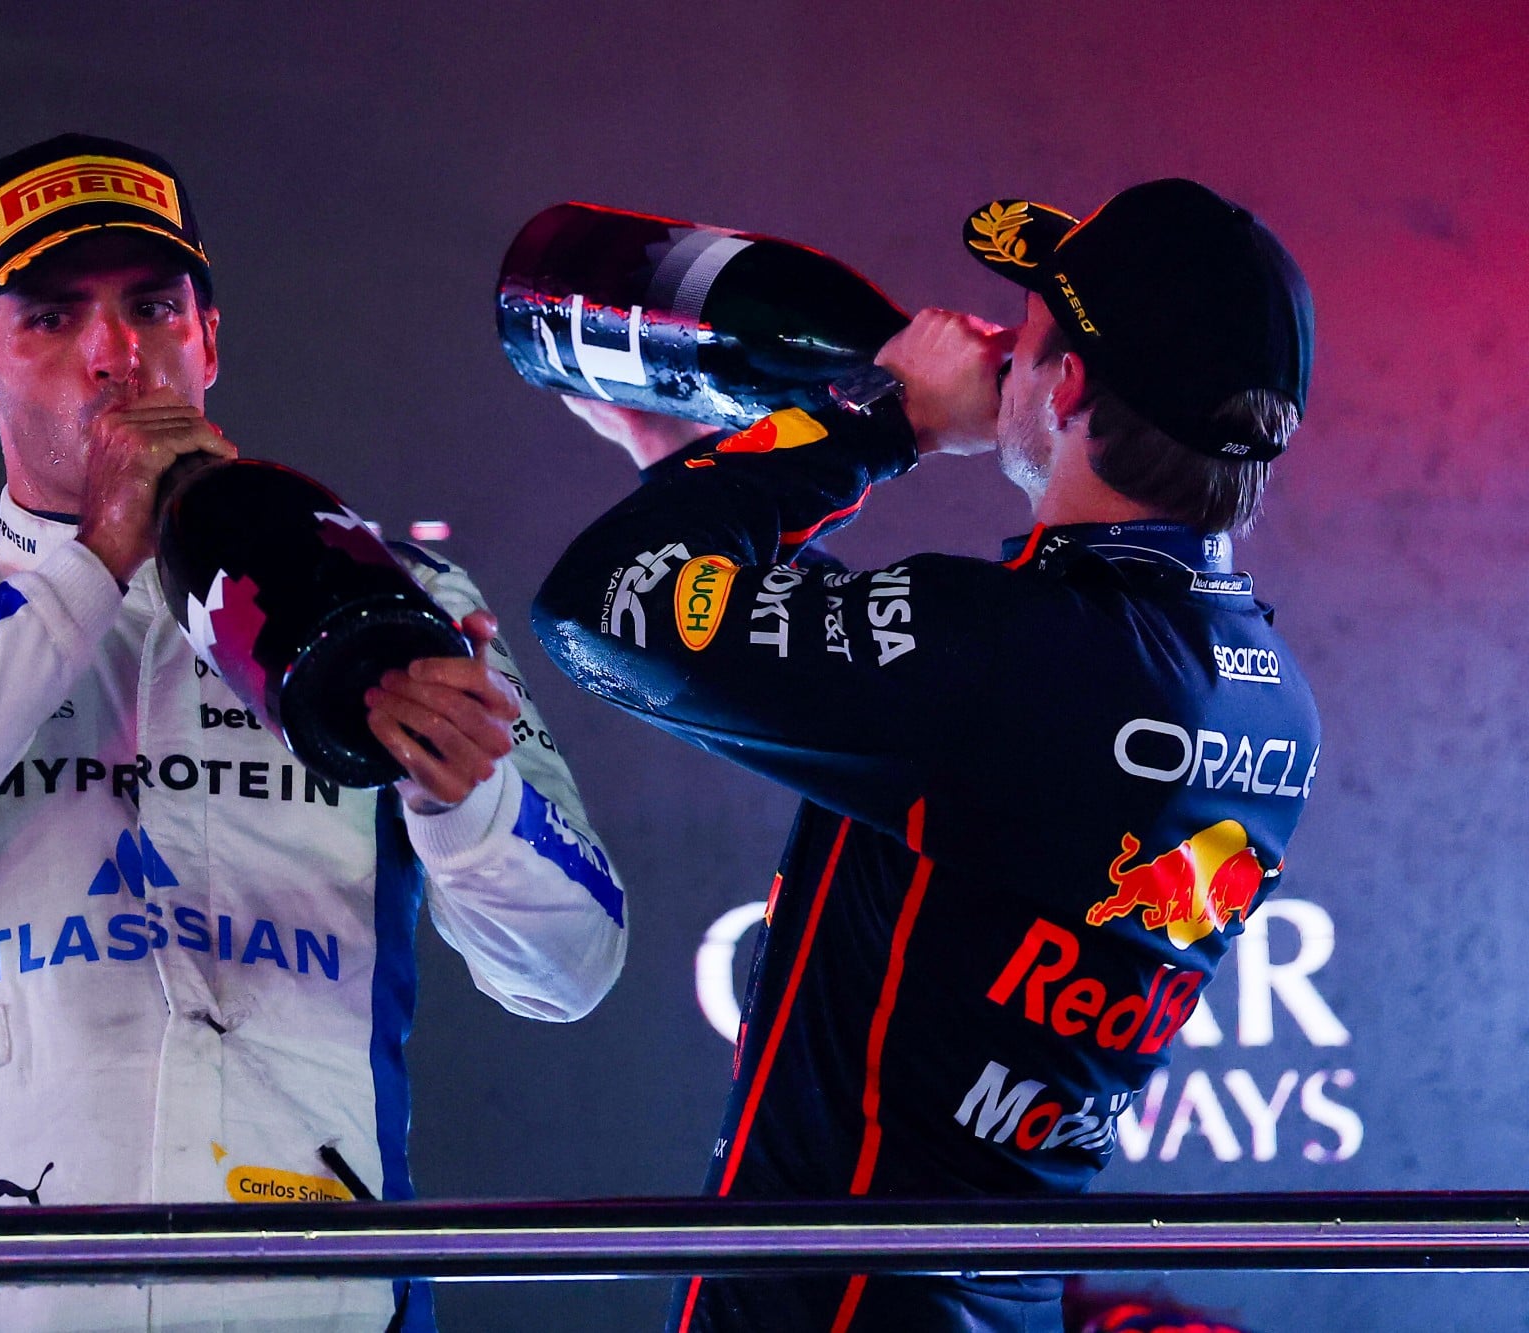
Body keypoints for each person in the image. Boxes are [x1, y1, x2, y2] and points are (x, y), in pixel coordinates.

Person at [0, 133, 627, 1333]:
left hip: (320, 1312)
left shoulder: (387, 602)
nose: (114, 353)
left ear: (207, 337)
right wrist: (97, 557)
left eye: (152, 305)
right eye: (51, 317)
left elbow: (572, 970)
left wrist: (465, 805)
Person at [532, 178, 1319, 1332]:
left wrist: (877, 420)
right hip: (988, 1298)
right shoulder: (1266, 690)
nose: (996, 346)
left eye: (1028, 331)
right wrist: (703, 479)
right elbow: (746, 647)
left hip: (839, 1309)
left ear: (1069, 386)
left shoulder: (1028, 649)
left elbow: (596, 609)